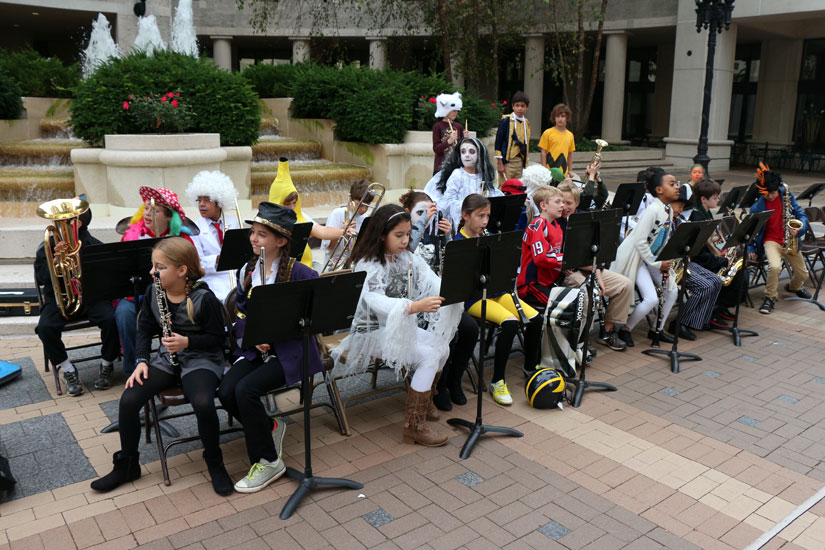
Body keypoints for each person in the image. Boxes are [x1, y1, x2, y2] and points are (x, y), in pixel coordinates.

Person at [91, 238, 233, 496]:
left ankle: (215, 462)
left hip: (201, 358)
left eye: (160, 267)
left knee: (202, 402)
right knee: (129, 399)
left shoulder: (204, 298)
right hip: (166, 359)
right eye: (153, 266)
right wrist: (142, 360)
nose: (152, 272)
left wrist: (187, 341)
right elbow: (144, 328)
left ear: (182, 271)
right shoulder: (153, 293)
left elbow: (218, 339)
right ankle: (128, 465)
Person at [332, 204, 462, 446]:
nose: (405, 241)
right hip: (369, 333)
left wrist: (455, 288)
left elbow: (432, 281)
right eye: (398, 235)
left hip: (397, 327)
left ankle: (425, 402)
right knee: (427, 356)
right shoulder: (369, 263)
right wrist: (411, 307)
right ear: (382, 235)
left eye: (408, 234)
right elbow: (373, 299)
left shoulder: (407, 258)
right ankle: (413, 426)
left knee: (442, 346)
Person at [218, 202, 321, 492]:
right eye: (253, 232)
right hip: (257, 350)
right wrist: (254, 333)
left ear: (281, 241)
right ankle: (269, 427)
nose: (254, 238)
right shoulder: (247, 271)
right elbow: (240, 313)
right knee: (226, 391)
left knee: (245, 390)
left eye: (262, 235)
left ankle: (268, 460)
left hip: (291, 352)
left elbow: (310, 320)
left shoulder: (302, 275)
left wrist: (272, 333)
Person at [455, 194, 542, 405]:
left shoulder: (489, 236)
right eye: (480, 216)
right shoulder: (458, 243)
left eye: (488, 216)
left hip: (497, 292)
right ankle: (497, 380)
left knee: (536, 319)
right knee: (510, 323)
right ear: (465, 216)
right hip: (473, 298)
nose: (485, 221)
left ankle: (531, 368)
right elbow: (462, 283)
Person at [400, 190, 477, 411]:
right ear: (408, 213)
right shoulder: (403, 237)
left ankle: (454, 379)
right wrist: (421, 224)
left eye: (429, 212)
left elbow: (450, 267)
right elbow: (407, 254)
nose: (427, 217)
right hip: (414, 305)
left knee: (470, 329)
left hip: (440, 300)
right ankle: (438, 387)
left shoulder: (435, 233)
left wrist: (447, 237)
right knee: (445, 335)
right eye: (420, 212)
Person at [35, 204, 120, 396]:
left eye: (62, 221)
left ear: (77, 223)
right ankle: (67, 369)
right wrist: (55, 261)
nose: (56, 224)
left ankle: (107, 363)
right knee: (45, 328)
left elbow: (107, 279)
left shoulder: (95, 246)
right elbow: (41, 278)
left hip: (92, 298)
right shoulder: (47, 246)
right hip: (59, 299)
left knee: (112, 319)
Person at [116, 187, 193, 377]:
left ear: (169, 217)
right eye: (146, 209)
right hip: (136, 294)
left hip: (173, 294)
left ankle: (181, 361)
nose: (148, 213)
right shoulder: (131, 235)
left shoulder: (181, 239)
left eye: (155, 210)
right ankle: (133, 367)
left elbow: (190, 271)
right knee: (124, 314)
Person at [556, 183, 632, 351]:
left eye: (569, 203)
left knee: (624, 285)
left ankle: (607, 331)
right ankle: (583, 337)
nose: (564, 207)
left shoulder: (586, 219)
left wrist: (598, 275)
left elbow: (595, 251)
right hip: (570, 272)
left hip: (591, 267)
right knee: (590, 293)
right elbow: (566, 259)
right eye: (561, 202)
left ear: (577, 203)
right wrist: (595, 276)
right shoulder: (555, 222)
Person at [611, 170, 680, 347]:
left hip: (651, 258)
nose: (677, 187)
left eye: (676, 183)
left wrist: (663, 260)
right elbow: (640, 242)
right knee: (651, 298)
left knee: (672, 290)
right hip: (636, 257)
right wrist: (657, 263)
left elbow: (662, 239)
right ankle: (625, 329)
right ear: (659, 190)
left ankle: (657, 328)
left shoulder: (668, 210)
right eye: (672, 184)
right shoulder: (652, 210)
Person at [268, 157, 354, 269]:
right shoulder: (266, 222)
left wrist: (343, 232)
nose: (292, 207)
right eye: (287, 204)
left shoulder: (301, 216)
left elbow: (322, 231)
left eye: (294, 203)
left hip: (304, 268)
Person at [746, 167, 810, 314]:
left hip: (789, 239)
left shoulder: (787, 195)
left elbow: (801, 214)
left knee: (803, 274)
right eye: (765, 194)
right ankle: (770, 298)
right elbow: (751, 229)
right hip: (770, 241)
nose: (769, 196)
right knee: (774, 267)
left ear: (779, 188)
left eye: (772, 193)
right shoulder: (757, 207)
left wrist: (799, 230)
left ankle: (794, 287)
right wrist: (750, 248)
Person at [669, 184, 722, 339]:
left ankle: (698, 320)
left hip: (686, 261)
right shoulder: (665, 221)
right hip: (672, 266)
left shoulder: (679, 221)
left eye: (683, 206)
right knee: (704, 286)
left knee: (716, 281)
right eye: (679, 205)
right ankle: (679, 323)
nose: (681, 209)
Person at [689, 177, 745, 325]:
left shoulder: (706, 212)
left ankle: (722, 307)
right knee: (735, 274)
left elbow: (714, 238)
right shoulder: (697, 217)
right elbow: (700, 252)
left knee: (741, 271)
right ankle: (714, 310)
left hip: (708, 256)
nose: (718, 200)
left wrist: (724, 250)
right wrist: (722, 260)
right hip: (701, 260)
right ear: (703, 199)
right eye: (715, 197)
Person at [185, 170, 240, 303]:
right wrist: (217, 259)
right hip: (211, 279)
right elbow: (197, 262)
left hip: (235, 276)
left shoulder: (234, 222)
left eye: (207, 200)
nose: (201, 204)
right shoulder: (193, 228)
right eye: (199, 200)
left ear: (219, 202)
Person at [435, 136, 502, 228]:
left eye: (471, 152)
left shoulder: (483, 175)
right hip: (463, 223)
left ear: (479, 155)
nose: (466, 155)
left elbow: (491, 193)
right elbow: (448, 202)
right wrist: (469, 206)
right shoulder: (458, 174)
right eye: (463, 152)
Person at [321, 180, 374, 268]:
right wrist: (342, 231)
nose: (364, 209)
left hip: (354, 262)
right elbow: (329, 247)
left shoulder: (366, 218)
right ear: (350, 199)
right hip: (334, 264)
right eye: (360, 205)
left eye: (367, 205)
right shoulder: (337, 213)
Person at [494, 91, 530, 186]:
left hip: (520, 162)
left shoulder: (526, 123)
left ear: (527, 107)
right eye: (517, 105)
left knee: (518, 187)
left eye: (522, 106)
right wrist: (500, 163)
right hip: (507, 162)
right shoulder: (506, 120)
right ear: (513, 106)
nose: (520, 108)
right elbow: (498, 142)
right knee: (505, 187)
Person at [539, 103, 575, 176]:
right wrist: (544, 169)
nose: (560, 119)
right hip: (549, 171)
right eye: (557, 116)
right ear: (554, 118)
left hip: (563, 173)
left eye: (563, 116)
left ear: (567, 118)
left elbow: (570, 154)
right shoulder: (547, 133)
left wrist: (570, 170)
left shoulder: (570, 135)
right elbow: (543, 153)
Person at [432, 92, 465, 174]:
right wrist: (449, 141)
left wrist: (466, 139)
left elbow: (463, 147)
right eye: (453, 110)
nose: (456, 112)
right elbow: (436, 149)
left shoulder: (459, 127)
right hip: (441, 167)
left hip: (456, 167)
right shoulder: (437, 126)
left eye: (457, 110)